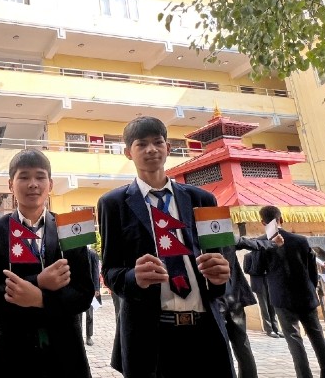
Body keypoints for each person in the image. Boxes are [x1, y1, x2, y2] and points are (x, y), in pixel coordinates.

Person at [98, 116, 234, 378]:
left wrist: (220, 277)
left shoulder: (203, 199)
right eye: (141, 144)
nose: (151, 149)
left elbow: (223, 266)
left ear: (168, 148)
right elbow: (110, 271)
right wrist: (134, 277)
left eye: (158, 142)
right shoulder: (112, 204)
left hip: (204, 331)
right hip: (149, 336)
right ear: (128, 152)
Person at [0, 148, 94, 378]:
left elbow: (84, 293)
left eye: (40, 177)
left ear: (51, 184)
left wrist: (40, 299)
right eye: (24, 177)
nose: (33, 184)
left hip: (64, 351)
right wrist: (37, 281)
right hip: (10, 353)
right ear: (11, 185)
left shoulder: (70, 228)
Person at [258, 205, 325, 378]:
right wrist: (311, 288)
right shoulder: (300, 240)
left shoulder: (263, 243)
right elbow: (312, 269)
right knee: (318, 338)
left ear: (262, 222)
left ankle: (304, 375)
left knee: (294, 341)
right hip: (306, 296)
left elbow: (257, 270)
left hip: (281, 298)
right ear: (281, 219)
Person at [221, 235, 284, 378]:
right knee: (242, 344)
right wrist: (273, 243)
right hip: (234, 297)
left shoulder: (196, 238)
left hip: (216, 301)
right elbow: (251, 243)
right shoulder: (226, 236)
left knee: (224, 346)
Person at [243, 249, 284, 338]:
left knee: (272, 307)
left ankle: (276, 329)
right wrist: (258, 270)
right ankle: (269, 330)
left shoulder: (266, 255)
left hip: (269, 283)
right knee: (264, 308)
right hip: (259, 284)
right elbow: (246, 270)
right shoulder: (248, 256)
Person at [82, 246, 101, 346]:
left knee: (89, 315)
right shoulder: (75, 253)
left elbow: (96, 272)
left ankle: (89, 336)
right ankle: (79, 336)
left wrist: (96, 288)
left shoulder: (92, 255)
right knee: (78, 315)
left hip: (90, 289)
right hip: (78, 289)